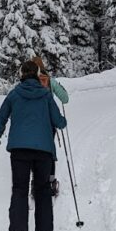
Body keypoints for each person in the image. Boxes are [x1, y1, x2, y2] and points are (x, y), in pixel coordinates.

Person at [0, 60, 67, 231]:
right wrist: (62, 121)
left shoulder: (14, 94)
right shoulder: (45, 95)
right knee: (42, 189)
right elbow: (58, 121)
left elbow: (2, 116)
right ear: (37, 74)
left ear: (21, 74)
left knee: (19, 189)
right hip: (43, 150)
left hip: (19, 150)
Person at [31, 56, 68, 197]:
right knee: (48, 151)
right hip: (48, 123)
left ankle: (35, 183)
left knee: (33, 151)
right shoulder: (50, 81)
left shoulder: (25, 83)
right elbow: (65, 99)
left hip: (31, 123)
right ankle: (51, 182)